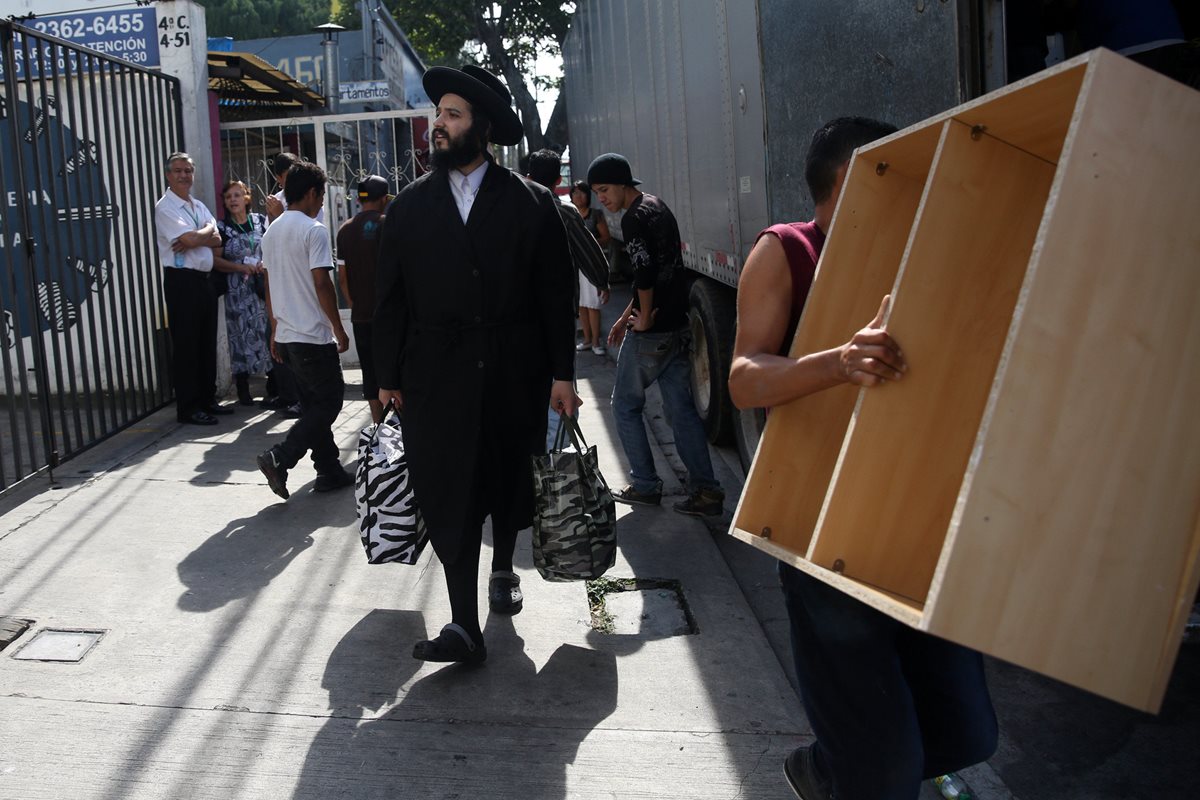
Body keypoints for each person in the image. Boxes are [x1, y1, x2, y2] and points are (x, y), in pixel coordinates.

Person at [727, 117, 998, 800]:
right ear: (847, 179)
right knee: (882, 771)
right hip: (822, 534)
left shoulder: (925, 262)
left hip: (916, 528)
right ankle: (837, 772)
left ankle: (834, 768)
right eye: (896, 173)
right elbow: (743, 377)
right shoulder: (784, 249)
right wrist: (840, 363)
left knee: (969, 734)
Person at [374, 64, 579, 664]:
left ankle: (503, 568)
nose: (439, 125)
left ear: (480, 128)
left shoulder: (531, 203)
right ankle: (464, 626)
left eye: (453, 115)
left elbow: (554, 296)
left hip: (515, 372)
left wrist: (562, 374)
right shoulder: (409, 208)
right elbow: (389, 300)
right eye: (437, 115)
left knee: (507, 481)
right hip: (434, 378)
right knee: (447, 491)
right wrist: (386, 379)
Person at [588, 152, 724, 518]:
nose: (601, 198)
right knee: (680, 410)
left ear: (621, 184)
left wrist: (643, 317)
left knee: (624, 405)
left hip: (653, 332)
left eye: (604, 190)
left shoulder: (633, 219)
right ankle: (707, 491)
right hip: (676, 323)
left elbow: (646, 272)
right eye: (596, 192)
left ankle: (646, 485)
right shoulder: (656, 206)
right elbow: (663, 267)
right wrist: (627, 316)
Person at [255, 161, 353, 499]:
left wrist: (273, 327)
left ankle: (328, 469)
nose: (322, 202)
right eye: (322, 194)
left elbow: (269, 285)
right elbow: (322, 284)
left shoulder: (272, 231)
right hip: (312, 334)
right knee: (329, 402)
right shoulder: (314, 230)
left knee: (314, 404)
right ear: (312, 193)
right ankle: (281, 455)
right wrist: (338, 328)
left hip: (287, 334)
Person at [525, 149, 610, 451]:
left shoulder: (507, 211)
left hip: (511, 324)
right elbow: (593, 259)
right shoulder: (563, 211)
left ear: (528, 176)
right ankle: (554, 473)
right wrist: (602, 280)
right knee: (559, 398)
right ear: (559, 180)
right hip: (555, 321)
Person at [154, 152, 231, 425]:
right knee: (187, 344)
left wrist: (200, 235)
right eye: (178, 171)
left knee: (206, 341)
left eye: (188, 170)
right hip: (181, 281)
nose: (184, 175)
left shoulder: (197, 205)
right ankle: (188, 407)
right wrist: (201, 234)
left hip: (204, 280)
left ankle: (207, 399)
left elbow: (218, 240)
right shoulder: (166, 207)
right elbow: (186, 237)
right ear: (168, 174)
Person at [212, 180, 272, 406]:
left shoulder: (259, 222)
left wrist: (263, 264)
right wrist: (239, 267)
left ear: (247, 197)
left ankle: (273, 384)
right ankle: (243, 388)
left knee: (266, 332)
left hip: (260, 287)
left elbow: (271, 248)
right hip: (237, 291)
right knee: (239, 336)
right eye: (228, 197)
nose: (233, 200)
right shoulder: (222, 228)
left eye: (237, 195)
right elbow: (216, 260)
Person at [336, 175, 389, 424]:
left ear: (358, 199)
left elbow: (342, 277)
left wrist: (353, 302)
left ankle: (379, 430)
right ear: (384, 199)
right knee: (394, 374)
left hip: (361, 316)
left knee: (370, 375)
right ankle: (401, 433)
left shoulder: (345, 230)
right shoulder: (387, 225)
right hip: (389, 315)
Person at [568, 179, 612, 355]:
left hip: (591, 263)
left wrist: (587, 244)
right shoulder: (569, 213)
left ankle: (595, 341)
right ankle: (586, 340)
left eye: (582, 192)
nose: (578, 196)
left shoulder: (595, 214)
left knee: (593, 304)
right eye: (575, 193)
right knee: (581, 305)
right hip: (575, 265)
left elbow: (606, 237)